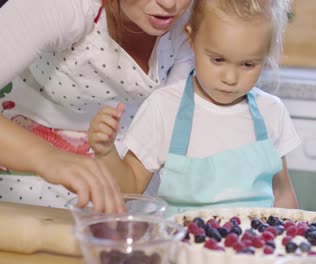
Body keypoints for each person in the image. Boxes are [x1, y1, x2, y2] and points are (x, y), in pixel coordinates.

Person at [89, 0, 299, 216]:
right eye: (218, 59)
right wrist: (106, 152)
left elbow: (282, 194)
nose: (230, 78)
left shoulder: (272, 112)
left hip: (253, 248)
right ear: (191, 38)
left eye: (248, 64)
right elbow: (130, 187)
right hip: (183, 246)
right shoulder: (164, 107)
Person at [0, 0, 193, 213]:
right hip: (19, 167)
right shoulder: (64, 6)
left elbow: (169, 125)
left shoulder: (192, 23)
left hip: (122, 180)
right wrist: (46, 157)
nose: (169, 3)